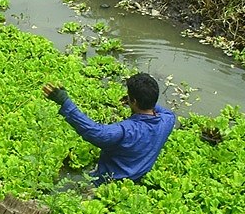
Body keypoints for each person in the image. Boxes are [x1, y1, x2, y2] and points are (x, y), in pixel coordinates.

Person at [43, 73, 176, 185]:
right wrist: (138, 100)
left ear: (134, 101)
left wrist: (65, 102)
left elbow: (95, 132)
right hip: (137, 178)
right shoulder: (168, 120)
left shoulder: (125, 130)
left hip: (109, 181)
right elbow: (153, 107)